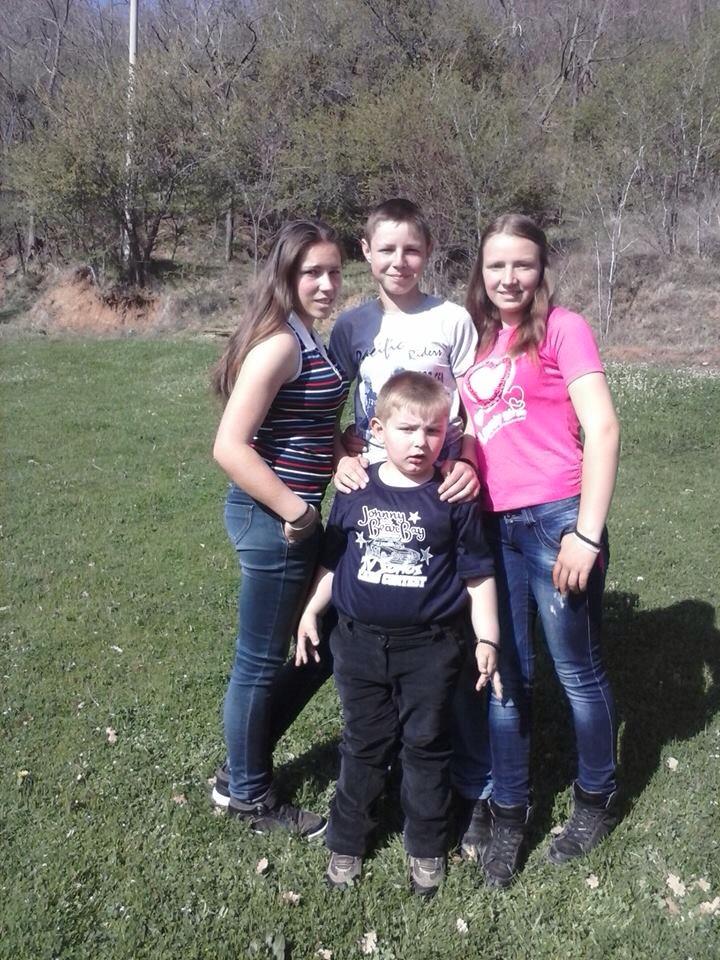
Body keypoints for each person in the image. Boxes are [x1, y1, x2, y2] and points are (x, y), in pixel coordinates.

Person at [459, 213, 621, 887]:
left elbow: (603, 428)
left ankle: (597, 797)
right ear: (481, 270)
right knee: (505, 673)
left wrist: (585, 533)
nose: (509, 277)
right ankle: (509, 810)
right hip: (493, 526)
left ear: (541, 267)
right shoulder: (476, 339)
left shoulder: (563, 328)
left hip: (557, 522)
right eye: (496, 264)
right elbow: (466, 426)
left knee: (577, 672)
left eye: (522, 264)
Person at [329, 198, 493, 859]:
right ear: (366, 252)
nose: (400, 261)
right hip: (372, 495)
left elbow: (477, 405)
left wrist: (470, 460)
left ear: (428, 253)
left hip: (443, 492)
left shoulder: (452, 320)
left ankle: (454, 776)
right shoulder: (353, 325)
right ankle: (379, 768)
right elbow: (331, 407)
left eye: (412, 249)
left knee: (444, 635)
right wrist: (341, 456)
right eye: (387, 249)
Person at [295, 372, 501, 896]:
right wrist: (311, 611)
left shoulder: (453, 496)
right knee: (363, 742)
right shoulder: (356, 489)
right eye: (407, 429)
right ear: (377, 429)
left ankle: (427, 844)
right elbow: (334, 561)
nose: (419, 442)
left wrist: (487, 639)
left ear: (447, 434)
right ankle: (347, 838)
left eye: (432, 431)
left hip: (430, 648)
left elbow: (478, 575)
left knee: (426, 745)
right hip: (358, 644)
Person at [210, 220, 348, 838]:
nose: (325, 284)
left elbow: (305, 423)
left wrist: (340, 448)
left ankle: (242, 764)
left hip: (287, 517)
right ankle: (248, 795)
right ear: (286, 275)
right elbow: (229, 446)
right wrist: (299, 513)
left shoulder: (302, 333)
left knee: (316, 648)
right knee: (261, 662)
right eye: (311, 272)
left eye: (334, 271)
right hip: (274, 521)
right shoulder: (279, 345)